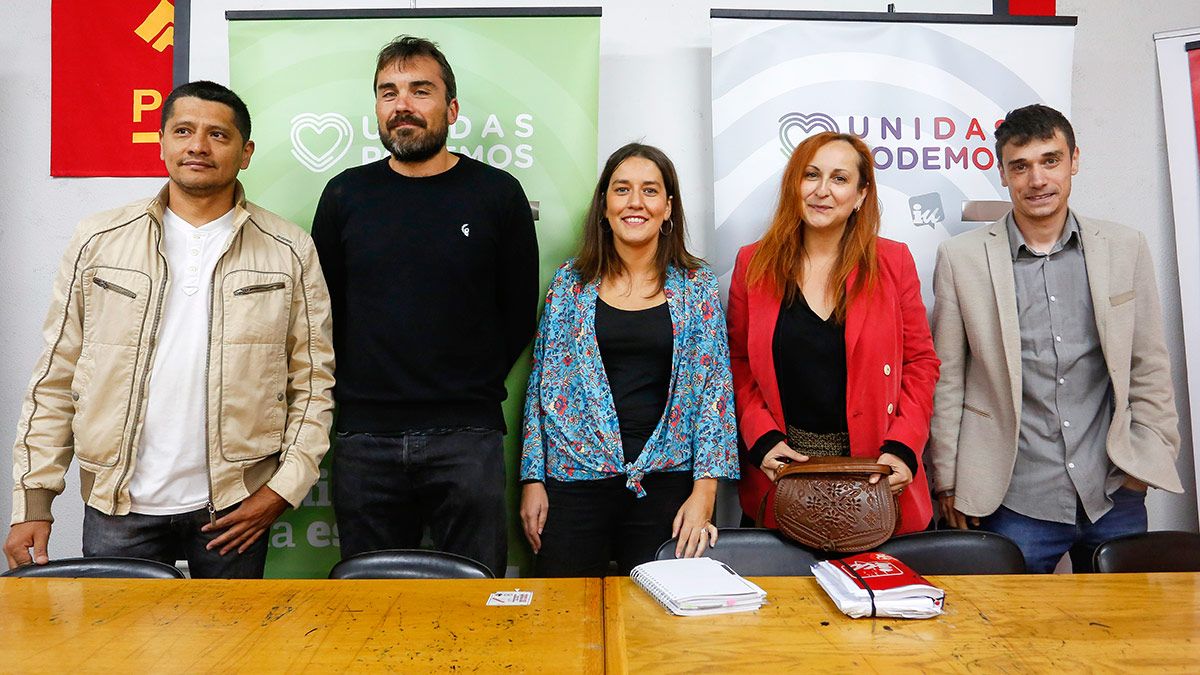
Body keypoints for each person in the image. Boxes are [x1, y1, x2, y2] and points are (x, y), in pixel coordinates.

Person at [3, 81, 335, 577]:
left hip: (233, 508)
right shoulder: (99, 240)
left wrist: (279, 492)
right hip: (120, 507)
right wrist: (33, 501)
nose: (198, 146)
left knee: (231, 651)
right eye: (184, 131)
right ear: (161, 143)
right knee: (120, 652)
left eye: (218, 135)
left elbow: (313, 385)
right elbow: (56, 376)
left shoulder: (287, 249)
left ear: (245, 153)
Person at [311, 36, 538, 577]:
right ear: (377, 110)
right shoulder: (345, 196)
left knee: (476, 602)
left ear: (451, 109)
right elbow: (320, 313)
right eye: (388, 93)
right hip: (365, 438)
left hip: (467, 438)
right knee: (370, 605)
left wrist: (464, 386)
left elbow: (517, 314)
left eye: (420, 90)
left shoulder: (498, 195)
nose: (402, 105)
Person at [928, 104, 1183, 573]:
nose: (1037, 179)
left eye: (1050, 160)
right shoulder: (961, 259)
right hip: (1011, 499)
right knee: (1010, 637)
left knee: (1124, 637)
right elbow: (947, 379)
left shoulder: (1125, 247)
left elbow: (1148, 364)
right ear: (1001, 173)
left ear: (1074, 160)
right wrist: (947, 481)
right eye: (1020, 166)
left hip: (1113, 492)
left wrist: (1145, 462)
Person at [519, 143, 739, 576]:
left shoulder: (697, 288)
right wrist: (532, 479)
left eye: (649, 191)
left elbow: (715, 393)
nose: (635, 202)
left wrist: (704, 494)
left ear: (668, 207)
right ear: (604, 206)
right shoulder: (569, 285)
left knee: (662, 625)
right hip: (573, 484)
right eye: (622, 190)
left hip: (667, 487)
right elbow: (540, 385)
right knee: (563, 621)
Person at [727, 131, 939, 536]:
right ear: (795, 184)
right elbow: (736, 363)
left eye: (839, 179)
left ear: (861, 195)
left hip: (874, 478)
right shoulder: (753, 263)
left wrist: (903, 448)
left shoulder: (893, 262)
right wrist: (762, 439)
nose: (822, 191)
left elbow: (921, 363)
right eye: (811, 175)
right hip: (782, 478)